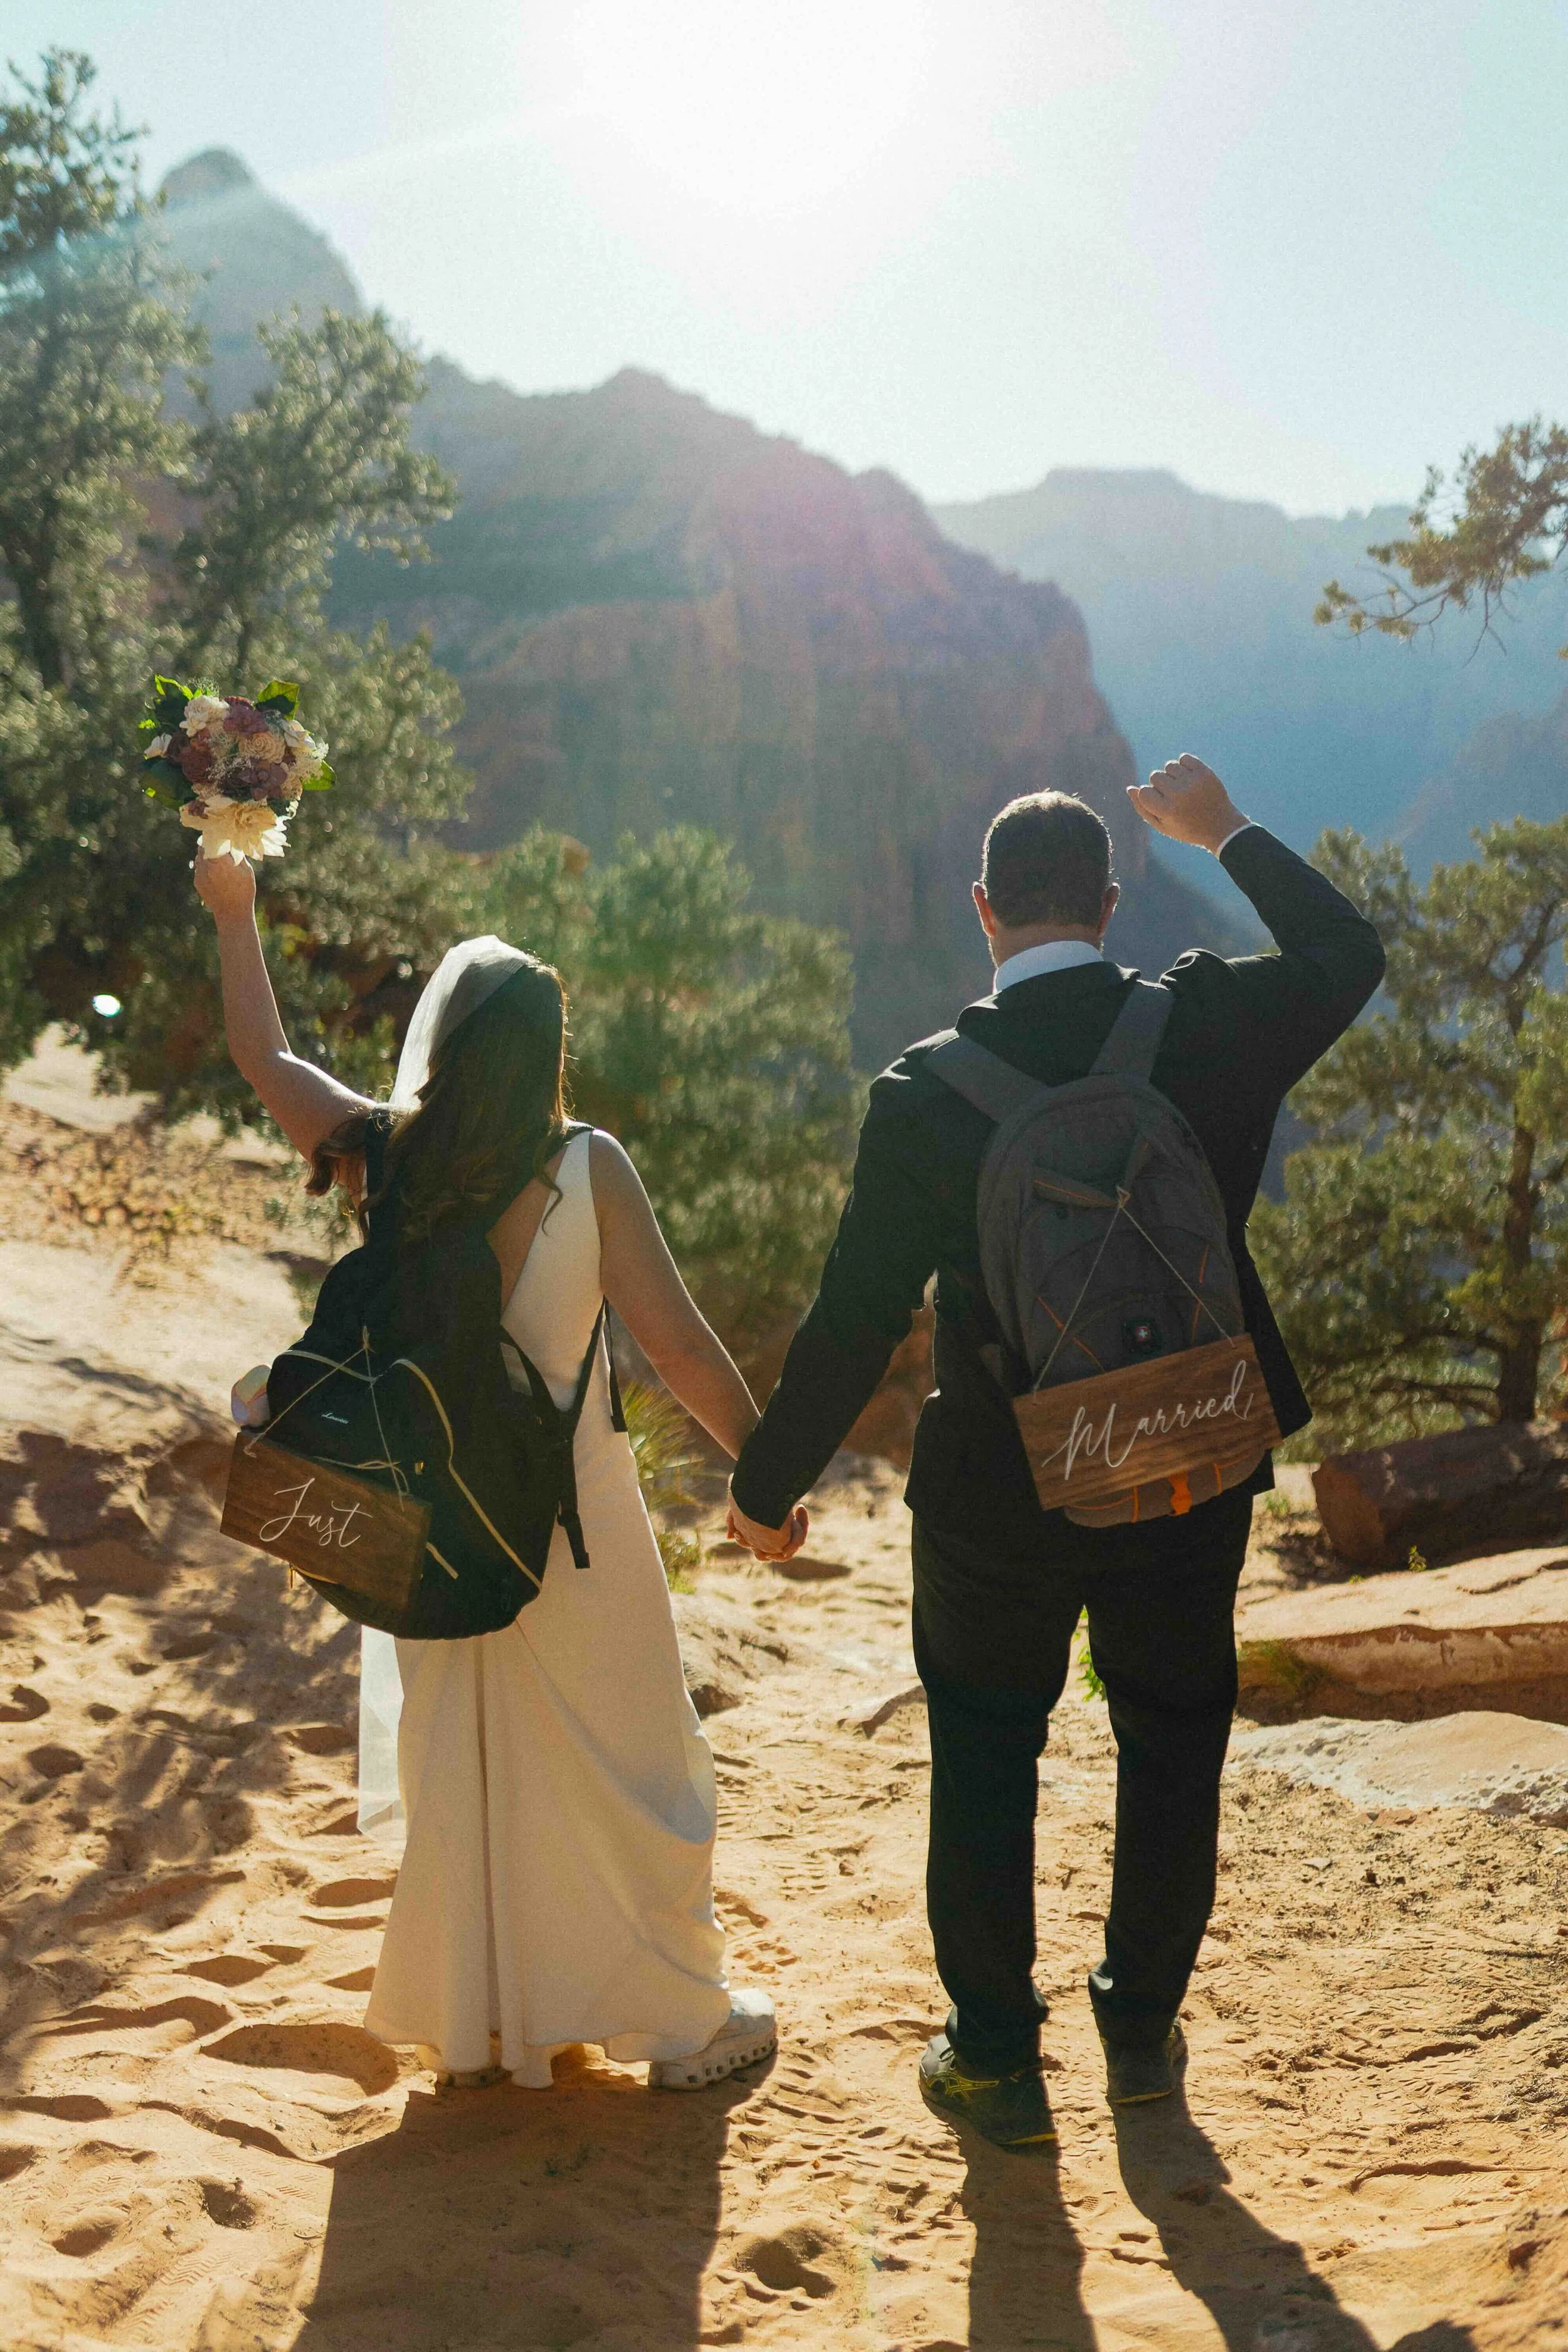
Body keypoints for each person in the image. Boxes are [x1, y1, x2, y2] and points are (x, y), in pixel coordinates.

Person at [726, 755, 1385, 2149]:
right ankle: (1140, 2033)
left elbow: (853, 1321)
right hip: (1188, 1448)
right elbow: (1348, 954)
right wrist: (1224, 830)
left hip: (999, 1482)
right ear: (1108, 899)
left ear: (982, 909)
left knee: (984, 1747)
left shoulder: (920, 1096)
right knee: (1172, 1736)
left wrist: (767, 1488)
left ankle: (994, 2061)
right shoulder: (1206, 1021)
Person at [194, 850, 795, 2091]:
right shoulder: (587, 1168)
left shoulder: (387, 1155)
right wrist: (766, 1480)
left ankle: (482, 2026)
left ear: (447, 1044)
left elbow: (263, 1056)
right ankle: (677, 2026)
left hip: (431, 1519)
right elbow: (680, 1346)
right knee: (638, 1770)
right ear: (546, 1053)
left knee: (467, 1773)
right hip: (575, 1523)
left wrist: (233, 912)